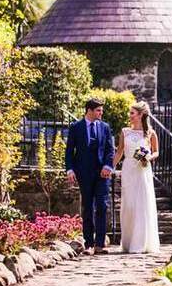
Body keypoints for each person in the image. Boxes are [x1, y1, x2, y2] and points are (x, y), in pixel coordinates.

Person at [64, 98, 115, 255]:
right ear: (89, 110)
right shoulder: (76, 127)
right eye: (98, 110)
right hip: (84, 173)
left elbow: (110, 149)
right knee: (88, 207)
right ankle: (89, 244)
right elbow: (69, 150)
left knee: (102, 205)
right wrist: (70, 169)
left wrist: (108, 166)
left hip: (102, 173)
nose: (101, 113)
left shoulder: (105, 127)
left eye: (101, 110)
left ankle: (100, 244)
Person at [113, 101, 161, 253]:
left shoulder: (150, 133)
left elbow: (156, 151)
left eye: (132, 113)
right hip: (128, 169)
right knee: (129, 205)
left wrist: (149, 157)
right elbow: (120, 151)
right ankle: (128, 242)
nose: (130, 116)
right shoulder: (125, 132)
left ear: (141, 115)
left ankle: (140, 243)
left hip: (142, 171)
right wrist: (110, 167)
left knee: (142, 204)